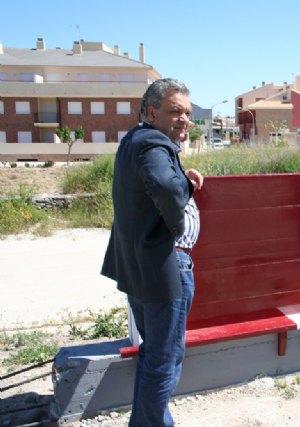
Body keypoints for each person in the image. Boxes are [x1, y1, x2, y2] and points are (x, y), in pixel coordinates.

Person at [101, 78, 204, 426]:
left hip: (139, 265)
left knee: (154, 354)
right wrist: (182, 201)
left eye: (187, 113)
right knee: (164, 359)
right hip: (165, 265)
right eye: (175, 111)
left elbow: (155, 182)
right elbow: (161, 185)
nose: (184, 119)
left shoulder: (135, 141)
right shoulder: (154, 145)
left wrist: (180, 174)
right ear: (150, 111)